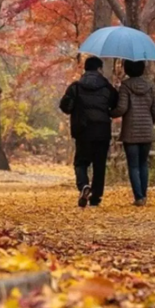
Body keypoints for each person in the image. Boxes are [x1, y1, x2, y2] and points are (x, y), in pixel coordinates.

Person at [59, 57, 118, 208]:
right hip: (102, 130)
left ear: (85, 69)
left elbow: (65, 106)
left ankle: (84, 185)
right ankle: (96, 197)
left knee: (81, 162)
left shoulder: (76, 87)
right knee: (99, 165)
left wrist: (76, 109)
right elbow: (115, 103)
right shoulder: (107, 87)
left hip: (83, 130)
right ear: (99, 69)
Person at [111, 60, 155, 206]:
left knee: (133, 165)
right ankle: (144, 196)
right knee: (143, 163)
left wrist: (110, 112)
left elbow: (122, 109)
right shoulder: (151, 86)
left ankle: (138, 197)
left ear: (127, 69)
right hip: (146, 130)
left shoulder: (126, 86)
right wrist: (150, 122)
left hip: (130, 132)